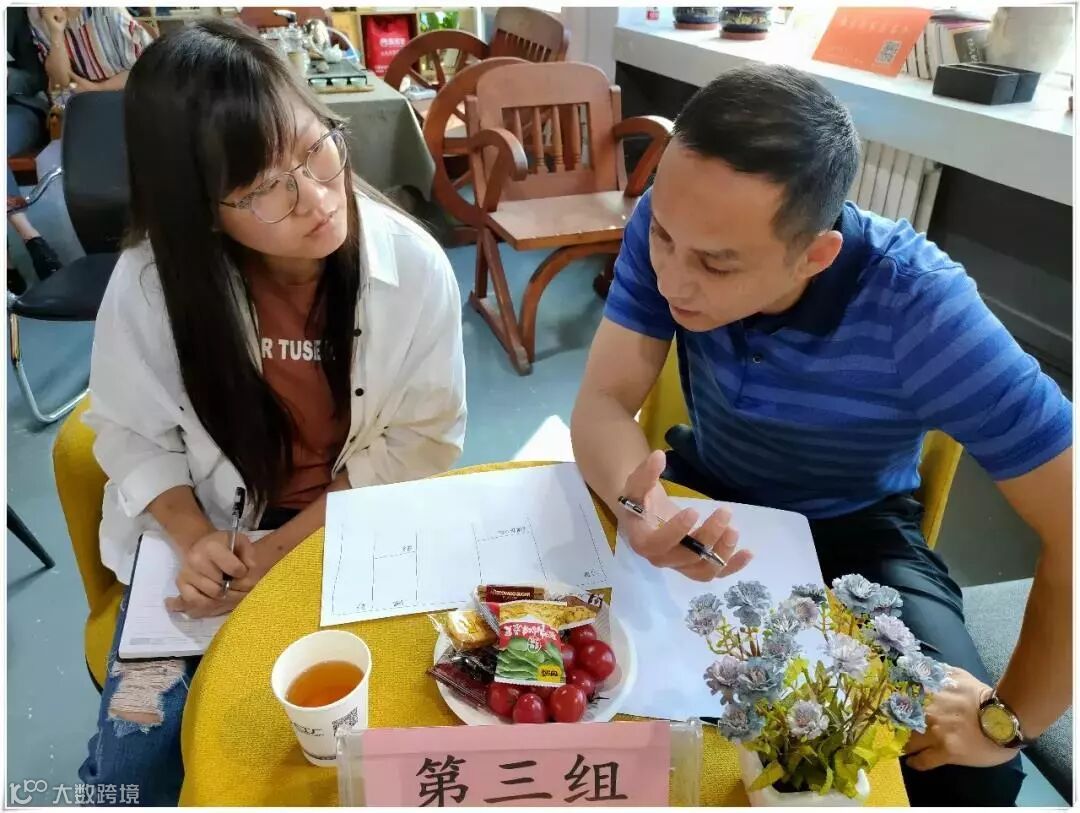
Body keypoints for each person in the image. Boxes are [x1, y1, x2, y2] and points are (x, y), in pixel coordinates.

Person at [571, 64, 1071, 806]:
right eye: (665, 239)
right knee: (592, 695)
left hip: (856, 532)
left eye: (715, 264)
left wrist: (1013, 716)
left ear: (816, 254)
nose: (672, 278)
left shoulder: (923, 309)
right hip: (705, 497)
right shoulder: (669, 222)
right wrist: (641, 507)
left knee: (968, 774)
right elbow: (603, 401)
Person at [79, 20, 466, 805]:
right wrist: (195, 539)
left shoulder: (414, 267)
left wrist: (282, 549)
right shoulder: (151, 285)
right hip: (203, 552)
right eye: (263, 188)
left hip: (353, 529)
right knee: (131, 771)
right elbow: (128, 430)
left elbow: (420, 444)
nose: (317, 197)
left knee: (389, 749)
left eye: (316, 148)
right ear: (200, 208)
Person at [7, 6, 63, 293]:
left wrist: (7, 77)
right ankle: (29, 238)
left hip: (15, 106)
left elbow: (36, 77)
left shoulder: (13, 13)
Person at [28, 7, 152, 97]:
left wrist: (98, 88)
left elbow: (147, 71)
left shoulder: (110, 12)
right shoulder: (38, 14)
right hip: (78, 101)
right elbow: (60, 83)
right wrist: (56, 34)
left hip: (124, 94)